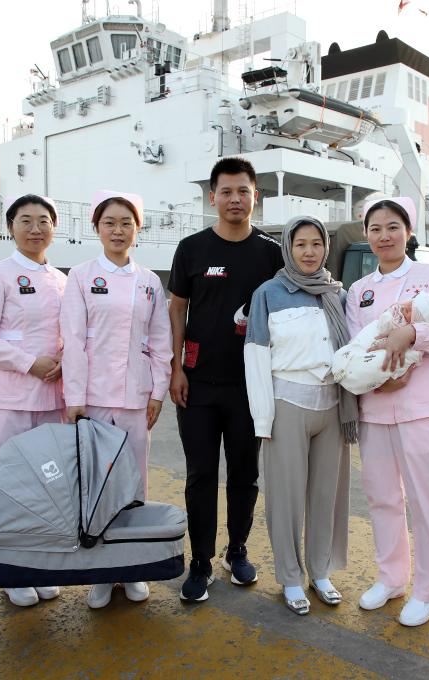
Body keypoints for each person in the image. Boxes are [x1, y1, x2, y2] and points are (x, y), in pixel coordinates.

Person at [168, 157, 285, 602]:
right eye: (226, 192)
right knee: (200, 475)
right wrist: (176, 367)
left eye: (243, 191)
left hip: (251, 387)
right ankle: (199, 561)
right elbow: (178, 308)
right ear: (212, 196)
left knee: (244, 474)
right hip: (197, 385)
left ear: (256, 196)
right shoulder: (191, 248)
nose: (235, 199)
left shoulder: (272, 253)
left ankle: (236, 551)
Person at [345, 197, 429, 627]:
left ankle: (428, 592)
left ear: (409, 231)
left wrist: (412, 333)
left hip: (422, 407)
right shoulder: (359, 290)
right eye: (375, 228)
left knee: (425, 501)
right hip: (375, 407)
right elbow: (355, 346)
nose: (384, 236)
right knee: (382, 497)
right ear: (366, 234)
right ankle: (391, 578)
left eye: (393, 227)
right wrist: (378, 379)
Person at [61, 189, 173, 609]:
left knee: (134, 481)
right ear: (97, 228)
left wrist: (158, 391)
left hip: (135, 396)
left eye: (127, 223)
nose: (118, 230)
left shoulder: (149, 282)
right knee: (95, 485)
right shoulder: (81, 276)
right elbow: (73, 340)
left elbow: (160, 340)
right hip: (93, 398)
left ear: (137, 230)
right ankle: (102, 573)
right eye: (109, 222)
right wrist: (74, 396)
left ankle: (132, 568)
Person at [244, 216, 356, 615]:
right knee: (286, 499)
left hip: (333, 406)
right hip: (287, 406)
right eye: (300, 244)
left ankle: (320, 572)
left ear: (326, 247)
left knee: (326, 497)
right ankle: (291, 577)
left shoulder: (338, 294)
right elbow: (256, 356)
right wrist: (263, 419)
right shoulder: (268, 293)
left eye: (316, 244)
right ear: (288, 249)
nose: (309, 252)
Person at [0, 194, 67, 608]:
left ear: (54, 228)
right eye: (26, 220)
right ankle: (8, 572)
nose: (35, 228)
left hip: (51, 399)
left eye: (44, 221)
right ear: (11, 227)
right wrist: (29, 363)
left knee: (46, 488)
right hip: (7, 399)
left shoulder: (61, 279)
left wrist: (65, 361)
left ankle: (37, 566)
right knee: (6, 486)